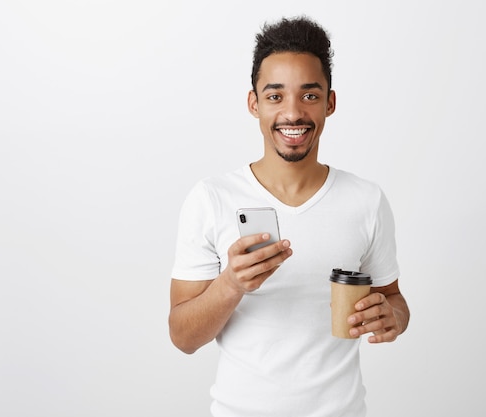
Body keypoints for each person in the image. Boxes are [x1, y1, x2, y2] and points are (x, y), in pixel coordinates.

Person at [168, 15, 410, 417]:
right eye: (276, 96)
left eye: (310, 95)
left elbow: (394, 300)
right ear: (254, 104)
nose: (293, 113)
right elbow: (183, 337)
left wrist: (393, 319)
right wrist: (231, 284)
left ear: (330, 103)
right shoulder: (211, 198)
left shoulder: (366, 200)